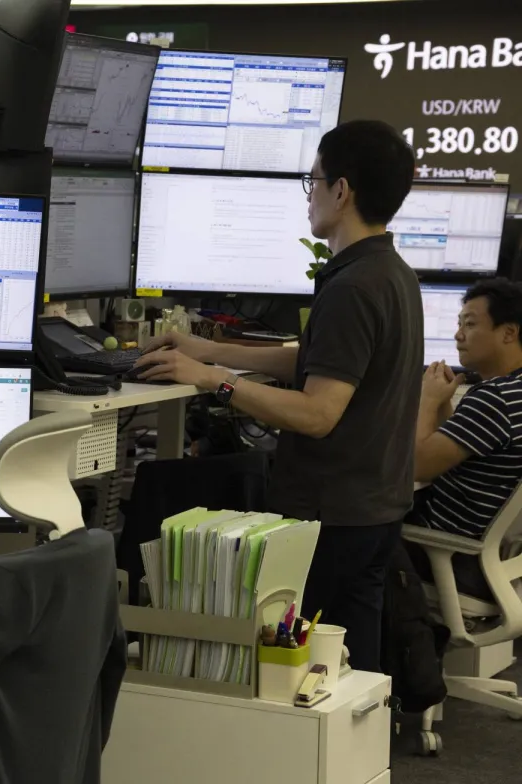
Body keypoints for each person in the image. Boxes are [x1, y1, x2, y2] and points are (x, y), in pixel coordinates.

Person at [133, 119, 421, 671]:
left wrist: (213, 381)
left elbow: (317, 413)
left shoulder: (353, 288)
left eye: (313, 181)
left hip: (332, 512)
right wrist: (214, 352)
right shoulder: (389, 272)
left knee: (313, 670)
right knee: (352, 663)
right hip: (373, 505)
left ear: (342, 190)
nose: (309, 196)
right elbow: (326, 362)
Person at [408, 278, 522, 599]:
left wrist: (427, 399)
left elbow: (416, 467)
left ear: (508, 332)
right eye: (459, 324)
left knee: (347, 526)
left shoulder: (494, 398)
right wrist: (443, 404)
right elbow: (464, 453)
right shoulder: (510, 392)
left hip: (451, 556)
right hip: (501, 562)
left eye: (469, 324)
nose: (458, 335)